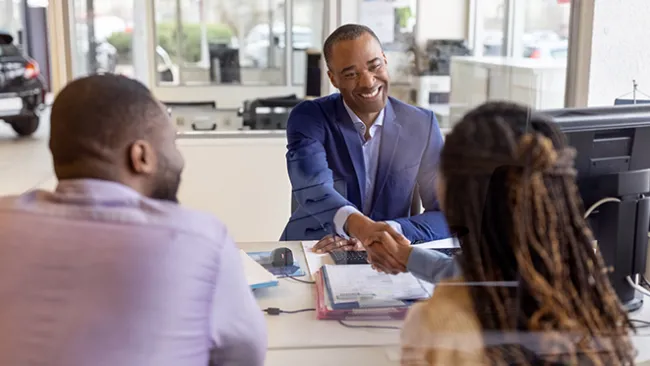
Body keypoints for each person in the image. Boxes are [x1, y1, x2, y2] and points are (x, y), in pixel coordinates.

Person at [0, 75, 266, 366]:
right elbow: (244, 357)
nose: (178, 158)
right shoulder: (199, 238)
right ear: (141, 156)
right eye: (172, 143)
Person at [368, 102, 635, 365]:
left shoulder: (437, 325)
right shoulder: (591, 308)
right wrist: (409, 256)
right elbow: (481, 274)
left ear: (455, 198)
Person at [281, 23, 450, 254]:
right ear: (333, 79)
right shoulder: (310, 117)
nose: (368, 82)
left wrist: (388, 231)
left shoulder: (422, 125)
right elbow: (313, 186)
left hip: (387, 253)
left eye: (374, 66)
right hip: (317, 248)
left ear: (385, 60)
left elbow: (446, 213)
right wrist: (360, 228)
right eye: (351, 74)